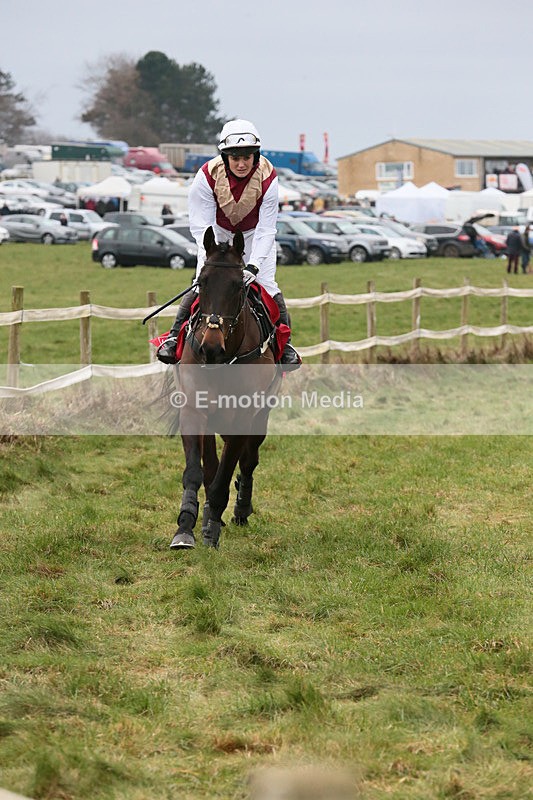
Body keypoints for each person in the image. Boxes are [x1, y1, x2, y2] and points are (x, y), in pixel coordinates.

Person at [156, 119, 300, 367]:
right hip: (217, 234)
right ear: (225, 157)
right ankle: (173, 337)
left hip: (255, 235)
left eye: (247, 157)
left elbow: (267, 228)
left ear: (256, 156)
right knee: (201, 283)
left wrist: (254, 265)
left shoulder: (269, 176)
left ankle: (285, 346)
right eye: (235, 158)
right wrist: (212, 256)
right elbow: (202, 225)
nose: (242, 164)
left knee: (268, 285)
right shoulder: (205, 176)